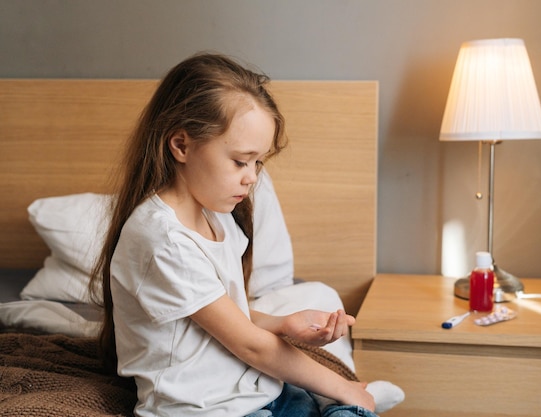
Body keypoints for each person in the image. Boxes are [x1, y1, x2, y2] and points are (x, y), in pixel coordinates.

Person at [89, 52, 377, 417]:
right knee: (345, 403)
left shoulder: (216, 214)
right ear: (181, 145)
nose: (251, 177)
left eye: (258, 162)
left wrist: (282, 324)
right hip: (204, 410)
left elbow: (223, 318)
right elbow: (251, 346)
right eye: (241, 161)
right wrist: (342, 386)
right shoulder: (162, 239)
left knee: (342, 409)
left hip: (254, 392)